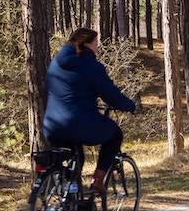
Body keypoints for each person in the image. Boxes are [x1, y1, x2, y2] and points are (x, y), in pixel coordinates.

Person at [43, 28, 136, 197]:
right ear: (86, 44)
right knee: (115, 135)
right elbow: (110, 94)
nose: (97, 48)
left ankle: (68, 208)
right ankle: (98, 180)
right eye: (95, 44)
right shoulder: (91, 66)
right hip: (80, 123)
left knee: (75, 159)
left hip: (52, 125)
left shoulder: (55, 63)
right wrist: (130, 106)